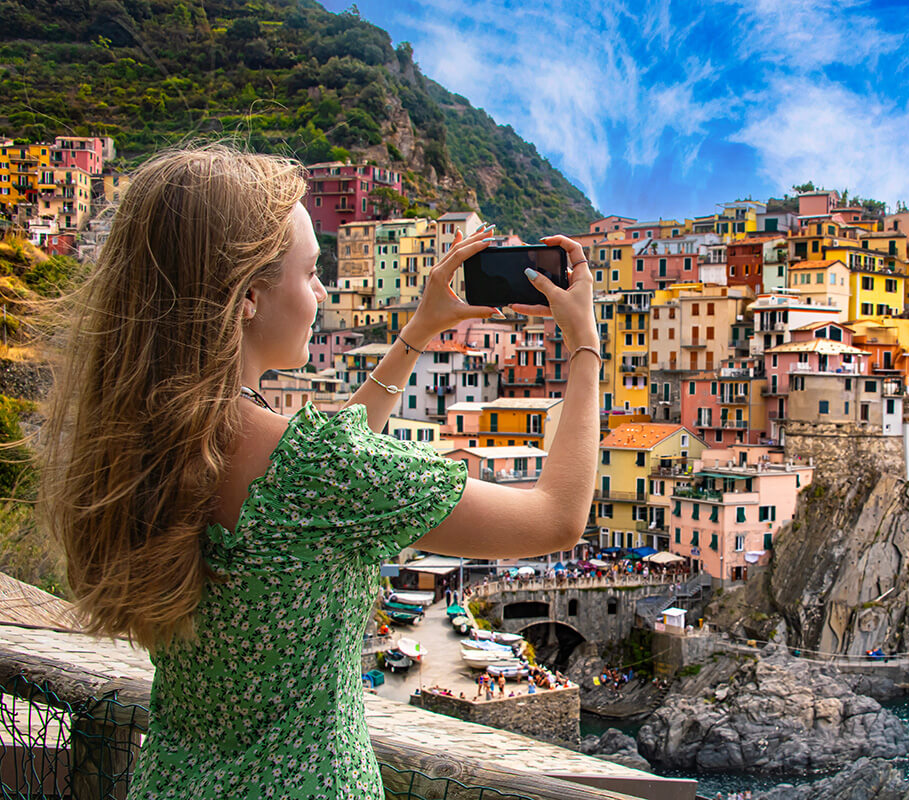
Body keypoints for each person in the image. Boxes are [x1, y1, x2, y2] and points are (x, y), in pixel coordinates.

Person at [36, 143, 601, 799]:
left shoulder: (155, 437)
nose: (324, 290)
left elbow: (326, 477)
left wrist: (417, 332)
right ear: (247, 296)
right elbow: (556, 518)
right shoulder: (310, 468)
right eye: (309, 274)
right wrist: (585, 346)